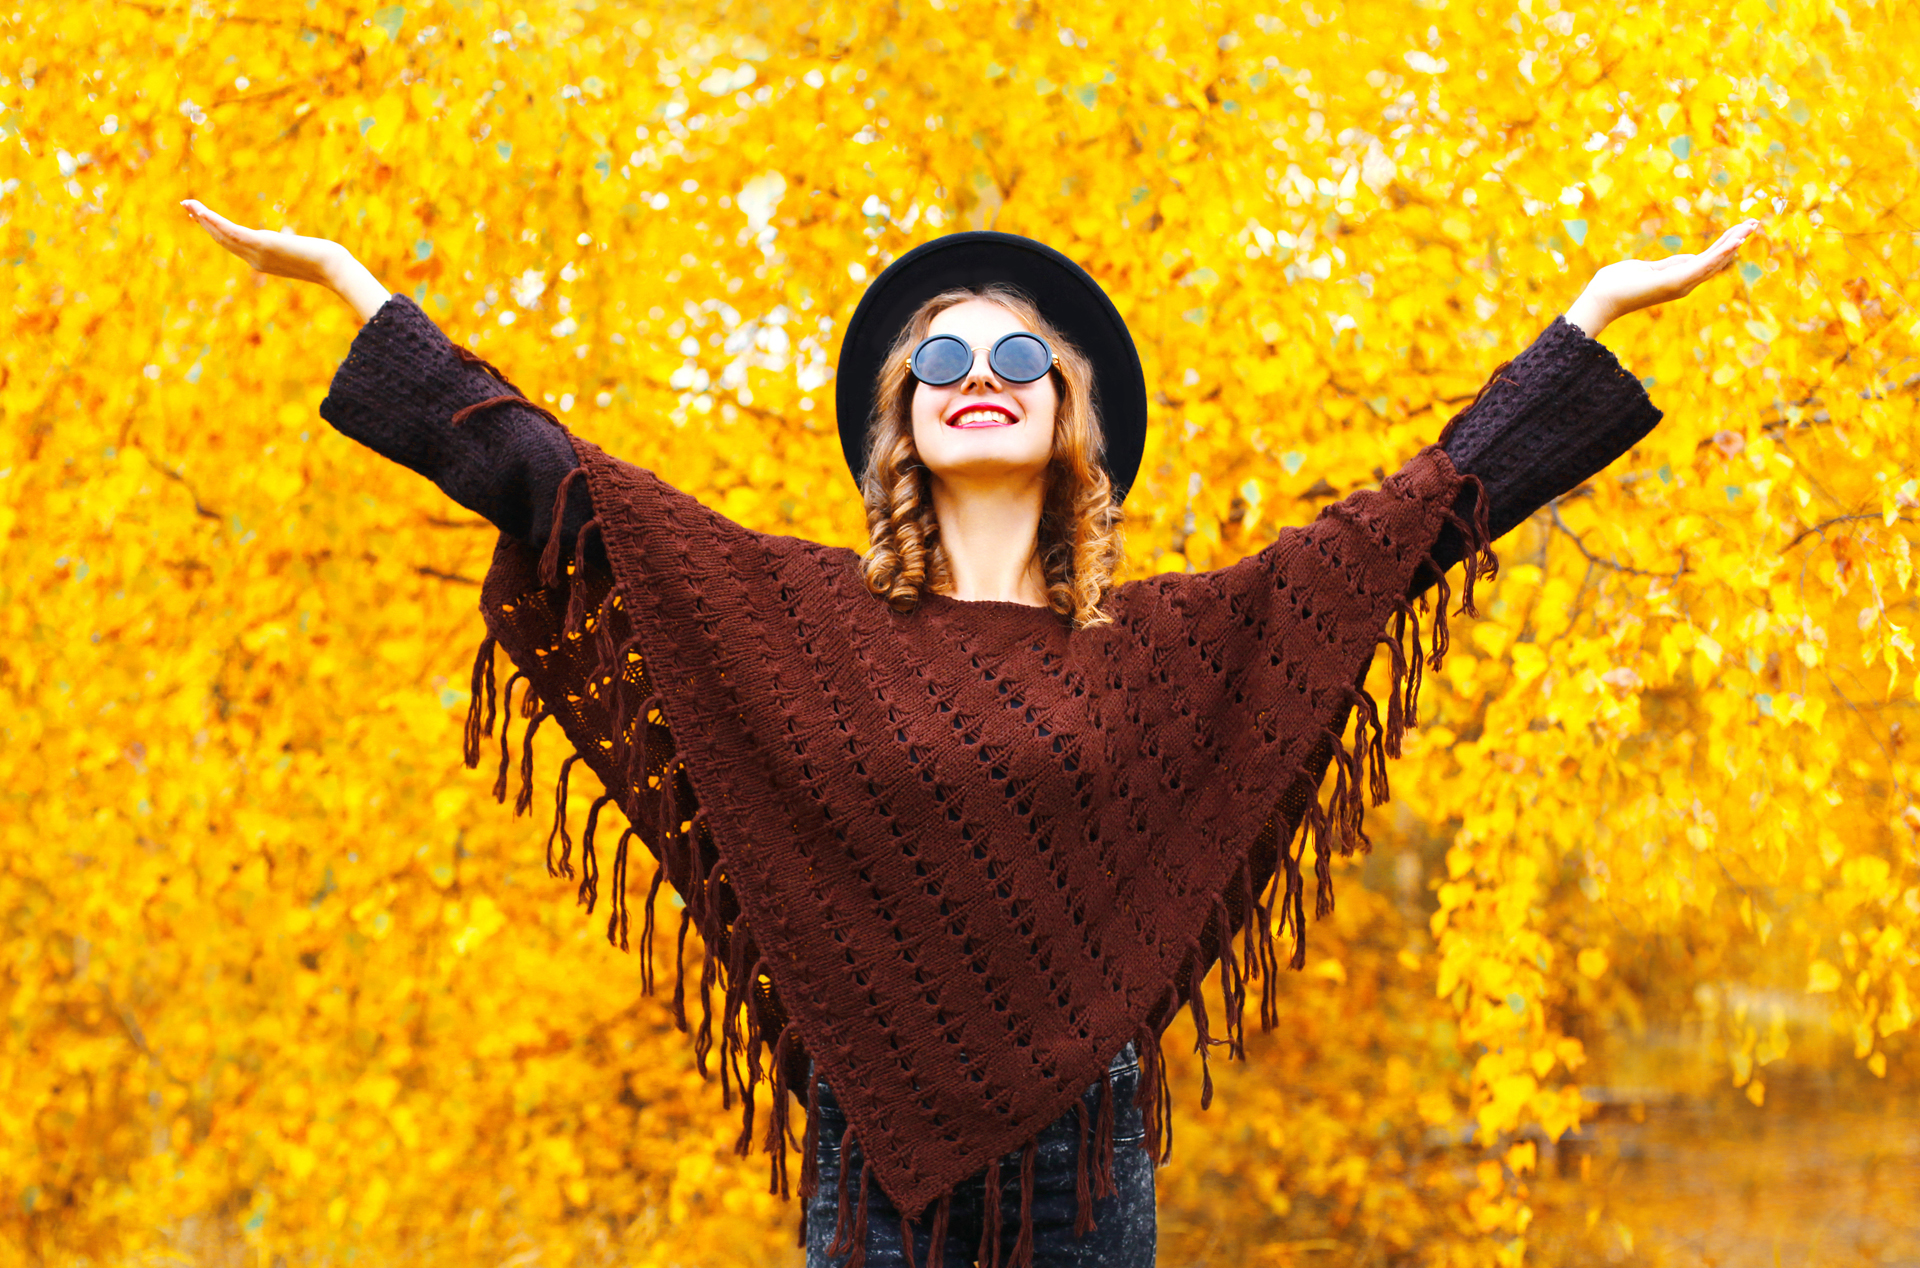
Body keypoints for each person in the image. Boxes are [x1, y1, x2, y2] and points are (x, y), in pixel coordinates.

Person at [184, 197, 1759, 1267]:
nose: (979, 377)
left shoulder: (1167, 645)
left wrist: (1590, 318)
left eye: (1021, 359)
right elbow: (561, 487)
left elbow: (1405, 526)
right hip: (869, 1164)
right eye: (941, 358)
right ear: (902, 422)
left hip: (1088, 1168)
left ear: (1076, 419)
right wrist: (359, 293)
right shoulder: (799, 616)